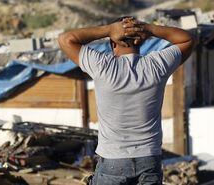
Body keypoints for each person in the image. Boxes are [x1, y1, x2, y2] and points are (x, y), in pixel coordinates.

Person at [58, 17, 195, 185]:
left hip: (113, 162)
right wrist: (148, 29)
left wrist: (108, 29)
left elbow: (66, 39)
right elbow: (188, 39)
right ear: (140, 40)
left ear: (112, 43)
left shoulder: (102, 66)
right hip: (149, 160)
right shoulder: (156, 65)